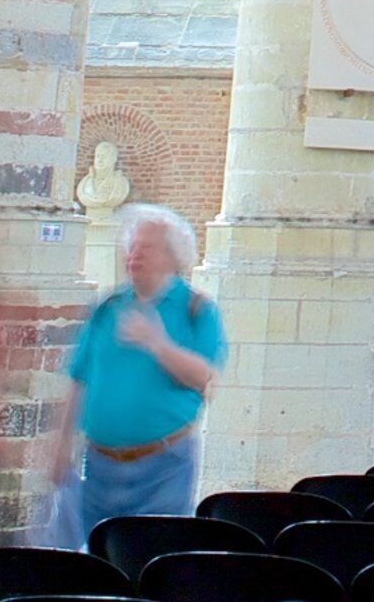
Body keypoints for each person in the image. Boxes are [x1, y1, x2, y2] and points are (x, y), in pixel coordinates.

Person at [40, 203, 225, 541]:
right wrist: (60, 444)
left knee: (146, 555)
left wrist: (157, 343)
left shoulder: (196, 309)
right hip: (98, 465)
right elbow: (79, 380)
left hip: (163, 469)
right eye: (132, 247)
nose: (133, 255)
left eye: (146, 248)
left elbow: (205, 379)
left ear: (172, 256)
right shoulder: (108, 308)